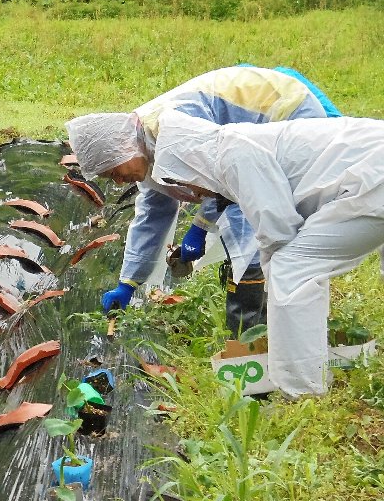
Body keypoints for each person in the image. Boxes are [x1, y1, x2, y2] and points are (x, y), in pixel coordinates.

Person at [65, 65, 340, 336]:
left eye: (114, 172)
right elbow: (153, 214)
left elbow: (223, 179)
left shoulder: (170, 129)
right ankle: (266, 334)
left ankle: (259, 341)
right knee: (255, 233)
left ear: (121, 147)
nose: (118, 182)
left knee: (258, 235)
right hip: (245, 149)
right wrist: (128, 282)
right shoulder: (141, 147)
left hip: (283, 117)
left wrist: (199, 227)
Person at [150, 111, 384, 396]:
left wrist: (271, 273)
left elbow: (279, 230)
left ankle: (303, 393)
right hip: (370, 163)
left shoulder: (233, 157)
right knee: (294, 265)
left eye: (185, 184)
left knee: (292, 270)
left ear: (191, 167)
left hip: (373, 179)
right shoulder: (226, 147)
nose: (195, 194)